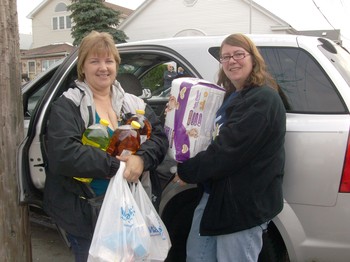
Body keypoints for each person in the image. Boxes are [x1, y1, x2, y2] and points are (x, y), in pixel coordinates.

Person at [43, 31, 168, 262]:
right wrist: (115, 165)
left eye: (109, 60)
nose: (103, 67)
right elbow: (63, 154)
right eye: (95, 61)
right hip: (88, 215)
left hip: (129, 211)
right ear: (83, 67)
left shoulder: (133, 103)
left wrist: (140, 159)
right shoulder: (69, 105)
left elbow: (159, 138)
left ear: (117, 65)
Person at [174, 33, 286, 261]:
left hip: (241, 206)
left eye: (238, 54)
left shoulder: (262, 99)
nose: (232, 61)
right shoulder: (232, 96)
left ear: (253, 59)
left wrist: (188, 171)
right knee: (197, 257)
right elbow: (206, 133)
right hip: (214, 197)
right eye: (226, 57)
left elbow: (228, 150)